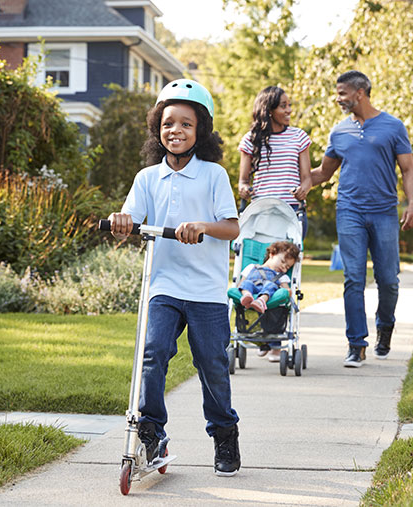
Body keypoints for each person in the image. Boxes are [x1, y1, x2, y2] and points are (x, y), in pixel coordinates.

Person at [108, 79, 241, 477]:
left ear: (200, 130)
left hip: (206, 289)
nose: (175, 131)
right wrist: (121, 221)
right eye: (168, 123)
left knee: (212, 363)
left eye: (185, 124)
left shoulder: (213, 175)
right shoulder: (147, 178)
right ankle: (151, 434)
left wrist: (203, 225)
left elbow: (232, 227)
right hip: (163, 286)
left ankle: (224, 434)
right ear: (156, 128)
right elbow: (131, 220)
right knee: (153, 353)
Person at [310, 70, 413, 368]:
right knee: (353, 278)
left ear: (360, 93)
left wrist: (412, 204)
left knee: (388, 280)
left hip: (385, 211)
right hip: (350, 211)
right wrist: (292, 181)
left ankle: (385, 327)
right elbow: (323, 173)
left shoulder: (392, 126)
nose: (338, 98)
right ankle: (356, 344)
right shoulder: (339, 132)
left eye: (342, 92)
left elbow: (408, 170)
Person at [237, 86, 312, 236]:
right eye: (283, 106)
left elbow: (307, 179)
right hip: (260, 211)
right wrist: (244, 189)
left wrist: (303, 190)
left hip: (291, 211)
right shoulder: (251, 140)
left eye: (289, 105)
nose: (289, 110)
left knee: (288, 259)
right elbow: (243, 181)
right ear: (269, 110)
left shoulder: (299, 137)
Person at [237, 240, 299, 362]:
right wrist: (244, 290)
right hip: (252, 290)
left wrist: (286, 290)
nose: (283, 268)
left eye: (287, 267)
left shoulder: (282, 276)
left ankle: (261, 300)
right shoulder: (251, 267)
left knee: (270, 286)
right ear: (271, 254)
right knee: (247, 283)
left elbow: (287, 291)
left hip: (269, 298)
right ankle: (247, 296)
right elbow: (241, 283)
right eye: (282, 262)